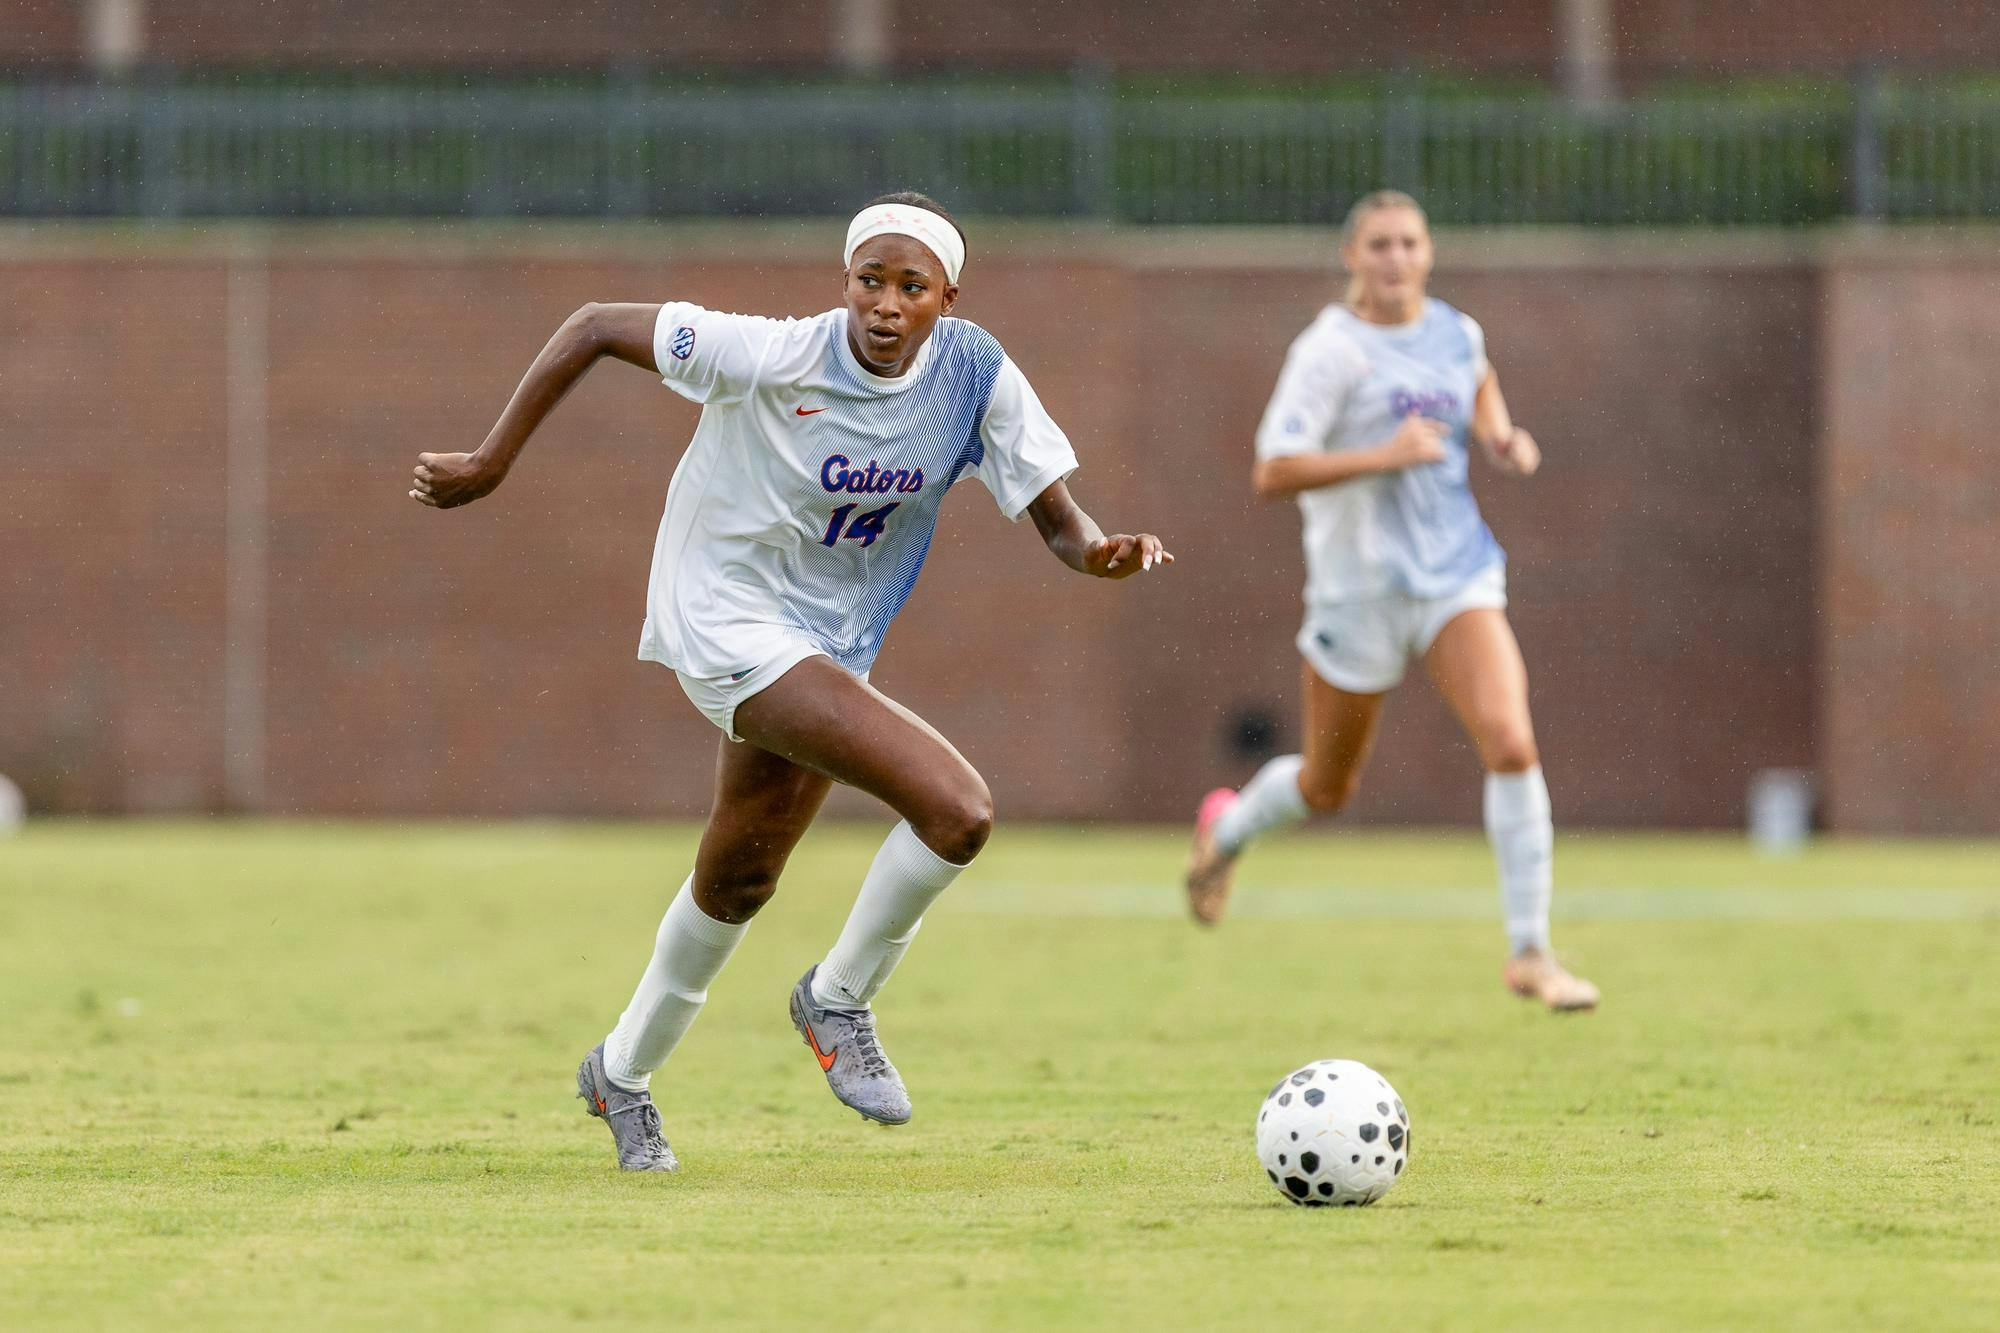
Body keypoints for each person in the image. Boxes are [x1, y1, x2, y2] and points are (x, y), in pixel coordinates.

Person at [410, 193, 1172, 1170]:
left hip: (825, 644)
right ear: (842, 282)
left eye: (911, 286)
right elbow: (595, 325)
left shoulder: (973, 374)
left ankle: (620, 1074)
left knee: (740, 876)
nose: (886, 304)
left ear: (947, 297)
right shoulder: (772, 352)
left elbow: (1058, 520)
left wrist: (1098, 552)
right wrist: (488, 461)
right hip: (721, 616)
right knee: (957, 810)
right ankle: (837, 999)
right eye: (869, 280)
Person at [1183, 190, 1598, 1014]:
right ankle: (1225, 833)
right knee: (1327, 788)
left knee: (1513, 742)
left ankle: (1531, 951)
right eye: (1379, 245)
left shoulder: (1456, 330)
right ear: (1353, 259)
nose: (1396, 258)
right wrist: (1384, 454)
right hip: (1357, 590)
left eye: (1409, 242)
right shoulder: (1330, 350)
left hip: (1456, 575)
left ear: (1430, 251)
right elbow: (1273, 470)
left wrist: (1501, 435)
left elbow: (1477, 380)